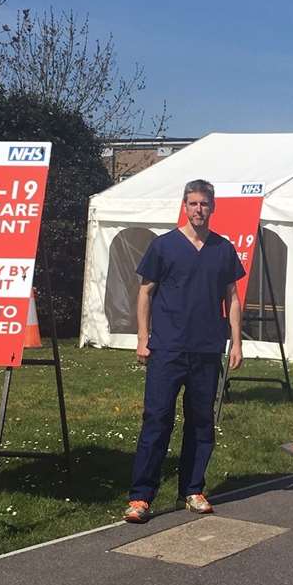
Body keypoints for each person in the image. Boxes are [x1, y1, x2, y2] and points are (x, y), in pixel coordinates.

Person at [124, 179, 244, 523]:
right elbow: (145, 293)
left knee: (201, 422)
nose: (198, 210)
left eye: (204, 204)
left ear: (213, 207)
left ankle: (192, 489)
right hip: (168, 348)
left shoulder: (223, 249)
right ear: (184, 205)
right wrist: (143, 337)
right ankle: (141, 496)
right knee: (157, 420)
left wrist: (236, 342)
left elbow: (232, 298)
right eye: (192, 204)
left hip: (206, 349)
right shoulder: (163, 246)